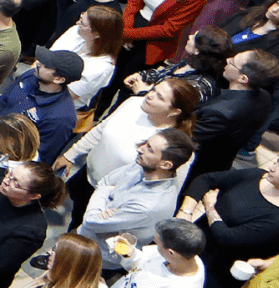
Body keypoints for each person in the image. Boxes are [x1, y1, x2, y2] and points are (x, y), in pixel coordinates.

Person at [180, 150, 279, 288]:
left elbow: (227, 238)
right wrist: (186, 211)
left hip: (212, 268)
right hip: (189, 243)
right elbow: (207, 179)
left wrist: (210, 207)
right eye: (277, 162)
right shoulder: (257, 176)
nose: (273, 168)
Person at [56, 77, 198, 221]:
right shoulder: (134, 103)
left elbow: (168, 189)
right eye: (154, 89)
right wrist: (71, 154)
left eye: (159, 97)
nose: (149, 95)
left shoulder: (175, 145)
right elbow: (101, 130)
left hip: (110, 199)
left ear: (174, 111)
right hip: (87, 175)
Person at [81, 128, 194, 270]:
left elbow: (91, 221)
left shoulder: (149, 205)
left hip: (95, 258)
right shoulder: (143, 165)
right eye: (146, 143)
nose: (140, 149)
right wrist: (105, 193)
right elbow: (105, 182)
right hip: (86, 236)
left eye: (149, 149)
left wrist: (106, 194)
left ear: (165, 165)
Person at [190, 49, 279, 174]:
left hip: (201, 163)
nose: (227, 60)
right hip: (225, 157)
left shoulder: (221, 111)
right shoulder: (265, 97)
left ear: (243, 78)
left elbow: (190, 135)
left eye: (232, 62)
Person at [98, 219, 207, 288]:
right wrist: (130, 254)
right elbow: (144, 266)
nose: (155, 244)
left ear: (171, 253)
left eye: (157, 242)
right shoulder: (188, 257)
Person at [0, 51, 82, 160]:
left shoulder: (62, 118)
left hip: (9, 163)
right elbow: (2, 102)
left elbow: (39, 156)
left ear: (58, 79)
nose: (38, 64)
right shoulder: (30, 75)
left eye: (46, 66)